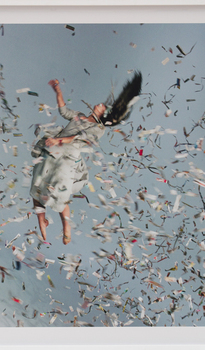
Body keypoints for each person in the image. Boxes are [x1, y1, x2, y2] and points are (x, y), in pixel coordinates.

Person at [30, 72, 142, 245]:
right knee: (37, 180)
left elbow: (79, 139)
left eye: (102, 106)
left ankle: (66, 226)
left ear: (105, 113)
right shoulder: (80, 115)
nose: (98, 104)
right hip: (53, 148)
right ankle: (41, 221)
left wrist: (59, 140)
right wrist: (57, 90)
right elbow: (63, 110)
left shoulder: (99, 128)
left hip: (67, 154)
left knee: (60, 189)